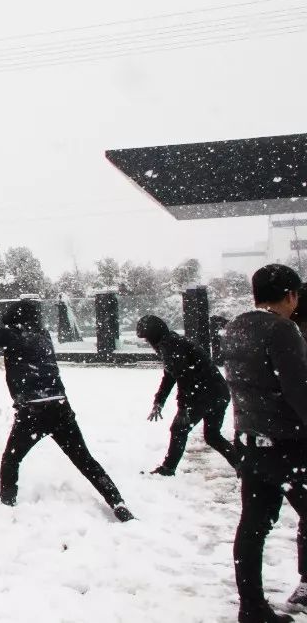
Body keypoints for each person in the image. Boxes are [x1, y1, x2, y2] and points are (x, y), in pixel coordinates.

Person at [0, 289, 133, 522]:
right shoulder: (43, 335)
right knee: (85, 460)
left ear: (16, 320)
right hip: (60, 407)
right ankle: (117, 502)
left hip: (32, 411)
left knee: (11, 459)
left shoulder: (15, 336)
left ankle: (7, 505)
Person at [222, 264, 307, 623]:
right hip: (289, 446)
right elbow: (299, 390)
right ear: (290, 295)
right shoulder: (282, 330)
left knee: (253, 526)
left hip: (252, 442)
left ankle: (252, 607)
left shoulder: (236, 327)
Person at [137, 314, 238, 476]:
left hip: (204, 394)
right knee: (212, 435)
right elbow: (170, 376)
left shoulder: (170, 347)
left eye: (147, 339)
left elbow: (184, 377)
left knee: (179, 430)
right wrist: (159, 401)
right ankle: (243, 465)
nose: (148, 343)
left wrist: (183, 408)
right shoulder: (172, 343)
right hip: (219, 392)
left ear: (153, 336)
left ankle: (168, 469)